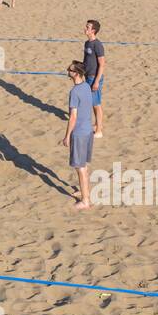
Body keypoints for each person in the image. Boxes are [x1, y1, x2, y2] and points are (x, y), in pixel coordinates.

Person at [63, 60, 95, 210]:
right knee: (84, 167)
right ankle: (84, 192)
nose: (67, 71)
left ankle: (85, 201)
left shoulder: (74, 92)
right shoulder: (86, 86)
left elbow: (73, 117)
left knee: (80, 168)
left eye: (70, 70)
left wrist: (67, 136)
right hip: (88, 130)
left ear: (76, 73)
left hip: (80, 133)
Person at [82, 19, 105, 138]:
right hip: (87, 76)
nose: (85, 28)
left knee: (96, 104)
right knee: (93, 103)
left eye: (88, 27)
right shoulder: (87, 43)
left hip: (94, 77)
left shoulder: (97, 45)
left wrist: (96, 81)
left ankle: (99, 131)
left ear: (93, 30)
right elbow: (86, 61)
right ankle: (97, 124)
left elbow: (102, 64)